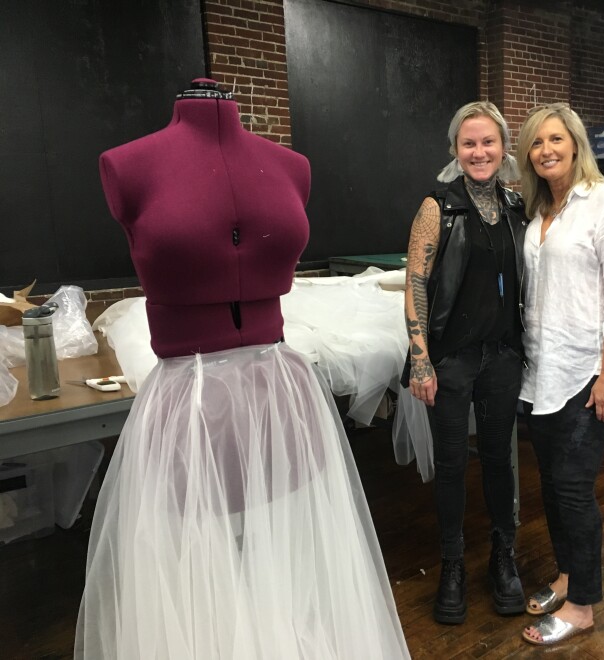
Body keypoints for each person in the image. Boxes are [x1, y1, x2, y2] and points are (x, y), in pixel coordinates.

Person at [75, 79, 409, 659]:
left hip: (278, 389)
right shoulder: (128, 166)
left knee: (288, 555)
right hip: (189, 397)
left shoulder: (291, 167)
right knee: (194, 567)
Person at [515, 103, 604, 646]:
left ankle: (584, 606)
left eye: (556, 139)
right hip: (540, 372)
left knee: (572, 489)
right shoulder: (540, 209)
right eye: (537, 142)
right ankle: (567, 576)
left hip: (588, 373)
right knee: (552, 485)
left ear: (576, 144)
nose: (546, 149)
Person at [403, 101, 528, 624]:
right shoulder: (438, 206)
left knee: (499, 459)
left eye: (488, 142)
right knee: (453, 464)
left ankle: (504, 555)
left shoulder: (516, 204)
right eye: (468, 143)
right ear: (456, 151)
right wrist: (421, 360)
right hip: (451, 359)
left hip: (502, 356)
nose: (479, 152)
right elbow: (415, 284)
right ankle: (452, 564)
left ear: (503, 149)